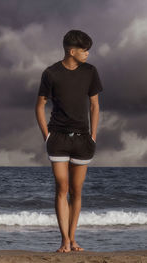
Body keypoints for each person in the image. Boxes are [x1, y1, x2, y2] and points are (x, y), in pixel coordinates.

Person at [35, 29, 103, 253]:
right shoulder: (51, 73)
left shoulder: (90, 72)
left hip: (83, 138)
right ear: (71, 51)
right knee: (61, 187)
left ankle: (73, 239)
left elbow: (94, 105)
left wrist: (93, 135)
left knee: (76, 190)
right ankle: (64, 240)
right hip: (58, 138)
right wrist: (47, 136)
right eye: (84, 50)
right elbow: (39, 106)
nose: (87, 54)